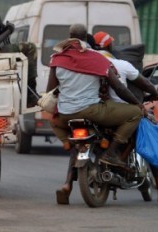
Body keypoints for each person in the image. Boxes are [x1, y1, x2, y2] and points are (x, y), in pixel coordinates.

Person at [47, 24, 145, 199]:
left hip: (66, 115)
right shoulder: (97, 59)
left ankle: (66, 144)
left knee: (55, 123)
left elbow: (50, 90)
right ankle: (111, 153)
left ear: (69, 36)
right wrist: (137, 103)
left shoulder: (57, 59)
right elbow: (119, 88)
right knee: (134, 113)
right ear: (87, 37)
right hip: (92, 111)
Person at [90, 31, 158, 206]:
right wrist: (154, 92)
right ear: (110, 46)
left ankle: (67, 185)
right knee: (152, 138)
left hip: (93, 114)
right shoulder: (121, 64)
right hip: (121, 113)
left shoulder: (88, 64)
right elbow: (143, 83)